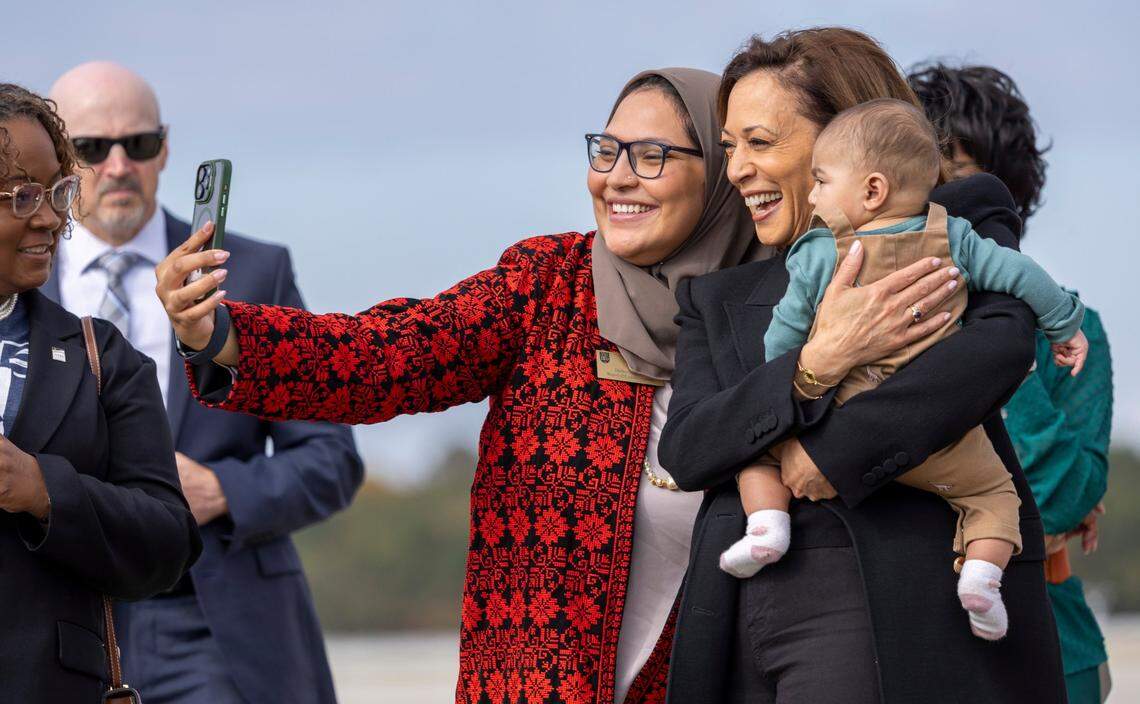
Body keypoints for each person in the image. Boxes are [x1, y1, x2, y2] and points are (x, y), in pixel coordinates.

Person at [153, 64, 958, 702]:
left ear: (717, 175)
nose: (617, 178)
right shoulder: (549, 282)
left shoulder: (781, 307)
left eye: (652, 156)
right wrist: (221, 333)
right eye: (605, 151)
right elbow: (387, 354)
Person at [658, 29, 1066, 703]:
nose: (735, 170)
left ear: (844, 137)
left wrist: (834, 454)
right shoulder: (712, 296)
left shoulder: (950, 224)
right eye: (730, 147)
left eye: (760, 142)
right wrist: (815, 363)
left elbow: (995, 349)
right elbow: (690, 445)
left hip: (889, 608)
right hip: (736, 630)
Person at [48, 62, 364, 704]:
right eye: (89, 148)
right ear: (58, 159)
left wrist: (224, 489)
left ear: (164, 150)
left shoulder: (253, 272)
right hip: (62, 613)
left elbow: (332, 458)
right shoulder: (18, 282)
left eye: (137, 144)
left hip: (213, 619)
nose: (117, 166)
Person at [721, 99, 1090, 644]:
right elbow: (1021, 275)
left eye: (821, 180)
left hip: (836, 419)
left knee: (755, 448)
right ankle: (983, 580)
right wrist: (1064, 324)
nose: (814, 193)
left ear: (871, 191)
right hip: (939, 432)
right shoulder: (955, 239)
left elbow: (782, 339)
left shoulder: (820, 253)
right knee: (995, 498)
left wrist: (784, 388)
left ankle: (767, 526)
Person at [911, 61, 1114, 704]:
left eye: (961, 182)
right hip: (902, 638)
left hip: (1052, 644)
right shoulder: (855, 317)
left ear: (1011, 198)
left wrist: (999, 342)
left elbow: (1061, 499)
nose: (940, 204)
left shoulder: (1074, 331)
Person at [0, 83, 200, 701]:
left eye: (58, 191)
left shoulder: (102, 358)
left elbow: (169, 542)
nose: (51, 218)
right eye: (22, 195)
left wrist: (43, 490)